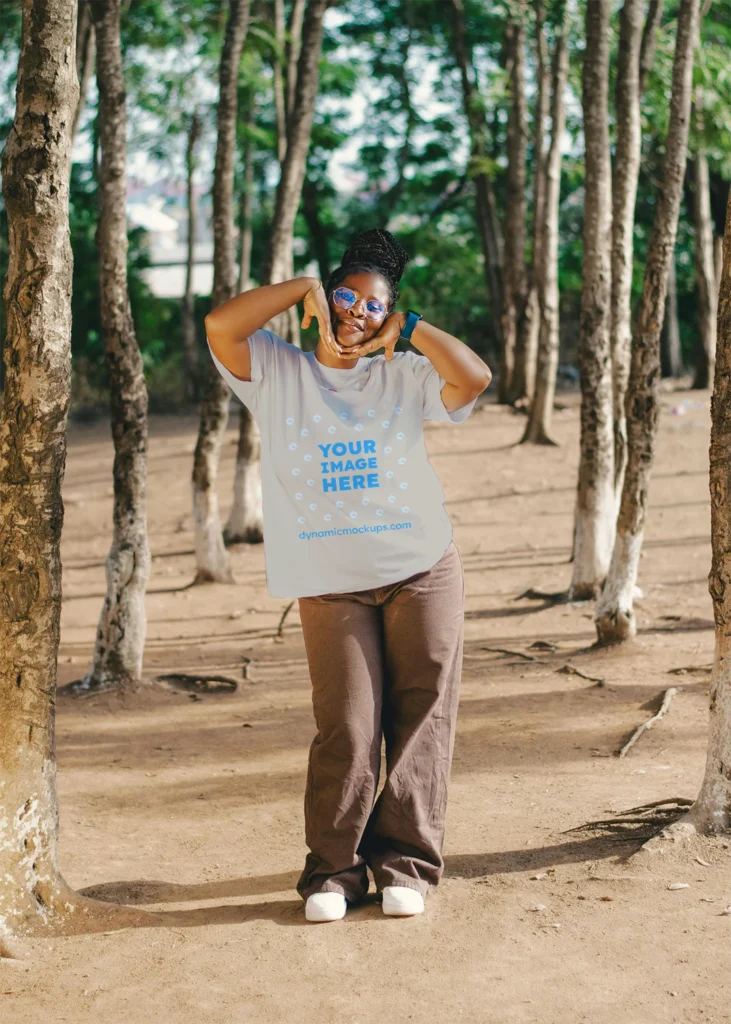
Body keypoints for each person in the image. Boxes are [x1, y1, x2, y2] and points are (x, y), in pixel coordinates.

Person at [205, 228, 491, 923]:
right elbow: (220, 323)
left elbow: (474, 376)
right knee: (348, 728)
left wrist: (411, 330)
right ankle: (332, 871)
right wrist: (300, 288)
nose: (355, 312)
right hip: (330, 582)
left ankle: (407, 865)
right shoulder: (275, 370)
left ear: (389, 315)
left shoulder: (403, 373)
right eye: (344, 296)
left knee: (423, 717)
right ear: (323, 299)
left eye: (374, 305)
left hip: (419, 568)